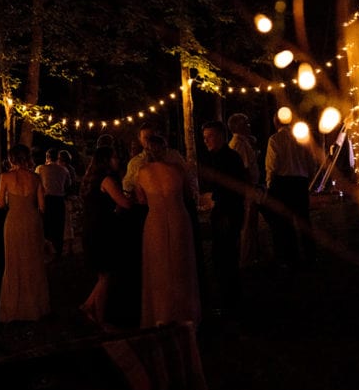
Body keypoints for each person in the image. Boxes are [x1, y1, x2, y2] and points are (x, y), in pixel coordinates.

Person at [135, 135, 200, 328]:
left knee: (158, 266)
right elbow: (188, 195)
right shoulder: (177, 170)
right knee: (181, 264)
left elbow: (141, 200)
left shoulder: (142, 172)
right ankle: (183, 313)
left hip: (155, 219)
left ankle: (160, 314)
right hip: (178, 216)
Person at [0, 144, 51, 322]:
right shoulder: (35, 178)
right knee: (33, 261)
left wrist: (5, 200)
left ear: (11, 158)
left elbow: (1, 205)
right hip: (32, 221)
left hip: (13, 222)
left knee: (13, 262)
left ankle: (14, 308)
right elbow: (42, 206)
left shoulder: (5, 177)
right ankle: (35, 307)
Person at [79, 145, 131, 328]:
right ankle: (92, 310)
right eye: (115, 157)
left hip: (93, 228)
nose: (117, 160)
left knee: (104, 275)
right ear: (106, 160)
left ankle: (96, 314)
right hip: (102, 231)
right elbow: (124, 203)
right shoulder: (107, 179)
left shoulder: (91, 179)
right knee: (106, 275)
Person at [199, 120, 248, 315]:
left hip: (227, 212)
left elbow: (231, 188)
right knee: (222, 256)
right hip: (223, 210)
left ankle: (230, 301)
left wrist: (219, 205)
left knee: (225, 256)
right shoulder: (217, 157)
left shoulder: (228, 158)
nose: (206, 141)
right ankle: (229, 298)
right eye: (204, 137)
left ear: (220, 135)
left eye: (210, 136)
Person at [264, 115, 318, 271]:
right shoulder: (301, 138)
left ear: (276, 123)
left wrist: (270, 185)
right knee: (303, 219)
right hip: (300, 182)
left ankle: (290, 256)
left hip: (282, 183)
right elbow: (310, 162)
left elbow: (272, 165)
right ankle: (310, 254)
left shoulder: (275, 139)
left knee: (284, 222)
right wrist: (308, 179)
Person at [227, 113, 262, 267]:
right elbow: (245, 169)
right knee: (247, 225)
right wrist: (251, 190)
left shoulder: (244, 142)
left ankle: (250, 256)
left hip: (248, 188)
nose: (249, 126)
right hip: (247, 190)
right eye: (245, 123)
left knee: (251, 225)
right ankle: (245, 259)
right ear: (237, 127)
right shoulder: (239, 144)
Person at [35, 148, 69, 259]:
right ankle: (58, 251)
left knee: (46, 225)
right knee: (58, 226)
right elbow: (68, 184)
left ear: (47, 157)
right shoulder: (64, 170)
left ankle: (46, 251)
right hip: (59, 200)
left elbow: (36, 182)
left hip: (47, 199)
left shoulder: (40, 168)